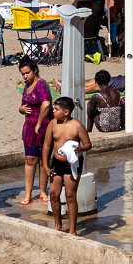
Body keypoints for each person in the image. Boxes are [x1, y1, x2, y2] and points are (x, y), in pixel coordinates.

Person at [42, 97, 92, 234]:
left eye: (56, 109)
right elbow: (46, 145)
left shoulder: (76, 126)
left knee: (70, 195)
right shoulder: (52, 124)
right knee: (53, 193)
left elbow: (88, 144)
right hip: (56, 162)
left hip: (72, 164)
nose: (53, 111)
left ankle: (72, 229)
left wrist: (82, 149)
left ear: (66, 112)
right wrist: (46, 166)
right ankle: (57, 224)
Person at [18, 60, 52, 206]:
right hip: (29, 127)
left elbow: (46, 103)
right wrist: (21, 110)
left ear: (35, 70)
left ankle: (43, 191)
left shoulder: (41, 84)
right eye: (23, 74)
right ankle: (28, 193)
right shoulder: (27, 86)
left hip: (43, 126)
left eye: (27, 73)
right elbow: (22, 106)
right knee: (29, 159)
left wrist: (39, 122)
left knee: (43, 159)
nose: (25, 76)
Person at [86, 68, 125, 135]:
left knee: (92, 109)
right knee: (119, 105)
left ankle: (89, 131)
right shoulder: (117, 92)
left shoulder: (97, 96)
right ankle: (123, 125)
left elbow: (90, 113)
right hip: (117, 126)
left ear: (96, 82)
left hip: (104, 127)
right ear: (109, 80)